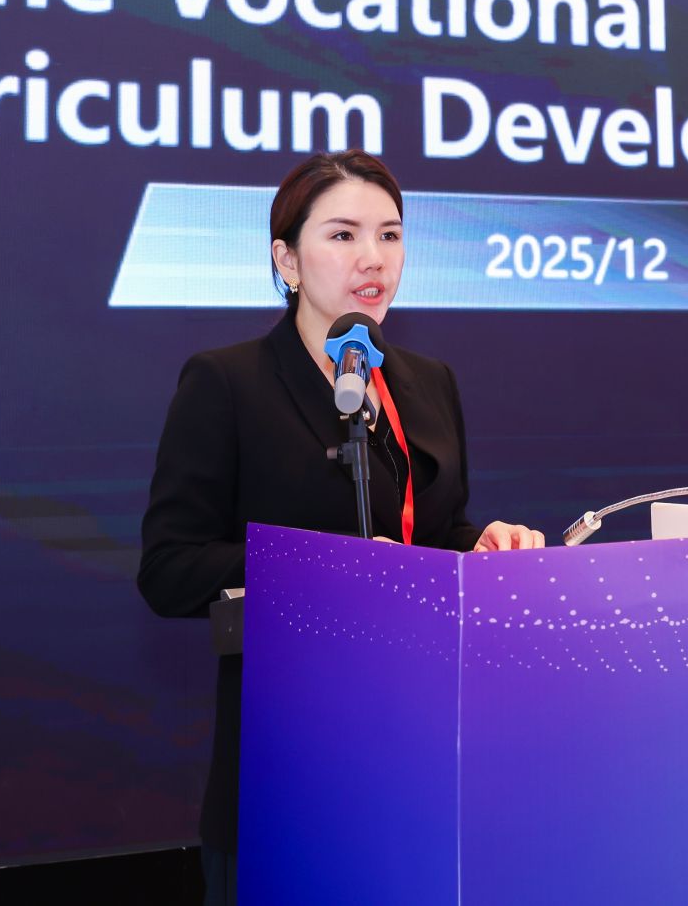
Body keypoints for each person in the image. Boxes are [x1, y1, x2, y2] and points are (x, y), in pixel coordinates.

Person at [137, 149, 545, 904]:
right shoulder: (227, 382)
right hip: (294, 760)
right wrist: (328, 571)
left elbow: (433, 529)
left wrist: (481, 544)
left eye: (390, 235)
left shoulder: (428, 381)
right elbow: (168, 569)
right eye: (343, 235)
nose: (374, 258)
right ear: (286, 260)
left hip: (426, 749)